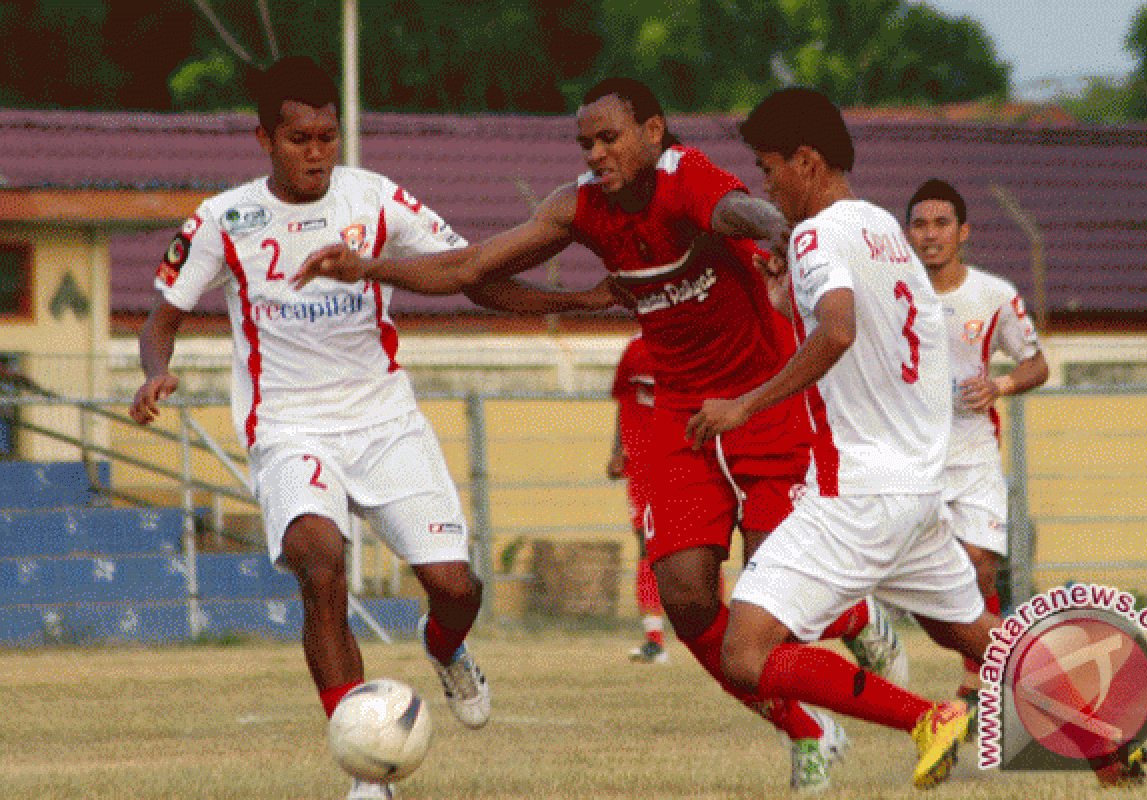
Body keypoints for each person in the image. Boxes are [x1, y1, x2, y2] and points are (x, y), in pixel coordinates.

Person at [291, 76, 908, 790]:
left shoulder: (688, 180)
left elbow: (743, 211)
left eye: (609, 136)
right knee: (685, 597)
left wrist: (788, 239)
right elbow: (469, 268)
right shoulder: (579, 205)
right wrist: (368, 266)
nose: (596, 153)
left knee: (775, 613)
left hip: (762, 405)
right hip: (684, 416)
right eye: (585, 142)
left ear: (653, 131)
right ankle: (806, 730)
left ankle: (858, 615)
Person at [127, 56, 491, 800]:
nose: (316, 152)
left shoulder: (376, 198)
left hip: (384, 420)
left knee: (454, 588)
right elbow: (161, 317)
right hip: (289, 428)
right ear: (265, 137)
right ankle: (366, 771)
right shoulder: (223, 219)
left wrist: (570, 299)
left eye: (327, 136)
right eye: (299, 138)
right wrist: (153, 370)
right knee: (319, 566)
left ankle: (445, 646)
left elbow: (464, 264)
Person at [684, 87, 1007, 790]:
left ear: (806, 160)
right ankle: (1104, 732)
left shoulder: (814, 234)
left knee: (744, 651)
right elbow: (872, 335)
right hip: (918, 489)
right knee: (976, 635)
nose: (766, 186)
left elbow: (837, 331)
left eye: (769, 169)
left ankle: (929, 718)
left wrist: (743, 404)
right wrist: (784, 297)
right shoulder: (883, 230)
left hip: (856, 491)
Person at [905, 178, 1049, 704]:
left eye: (942, 223)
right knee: (931, 588)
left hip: (973, 457)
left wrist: (1001, 385)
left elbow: (1037, 364)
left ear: (963, 232)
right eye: (920, 224)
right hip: (911, 460)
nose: (930, 234)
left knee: (979, 566)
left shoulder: (993, 294)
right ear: (907, 233)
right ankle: (979, 668)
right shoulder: (896, 294)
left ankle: (972, 688)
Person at [606, 332, 669, 664]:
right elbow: (624, 400)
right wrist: (617, 450)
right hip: (643, 466)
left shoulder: (693, 338)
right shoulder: (635, 348)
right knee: (646, 545)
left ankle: (723, 635)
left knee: (705, 545)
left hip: (685, 460)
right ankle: (654, 641)